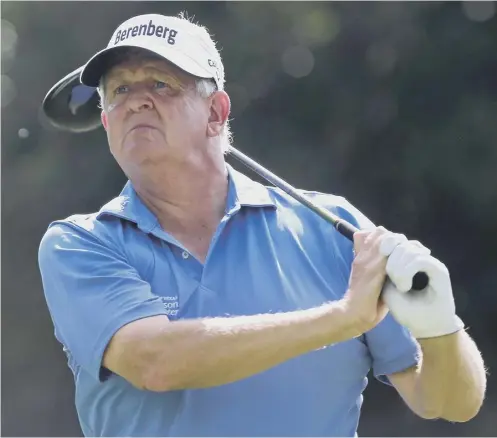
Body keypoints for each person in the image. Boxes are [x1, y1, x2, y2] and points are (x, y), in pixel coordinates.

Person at [38, 13, 487, 438]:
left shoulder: (331, 228)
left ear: (215, 112)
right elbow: (154, 362)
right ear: (105, 122)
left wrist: (440, 328)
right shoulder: (79, 244)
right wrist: (342, 319)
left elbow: (452, 403)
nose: (136, 99)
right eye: (118, 91)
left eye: (161, 84)